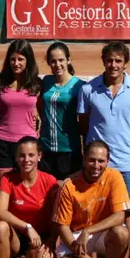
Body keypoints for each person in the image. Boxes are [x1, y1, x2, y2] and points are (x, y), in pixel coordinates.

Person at [77, 42, 130, 258]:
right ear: (103, 61)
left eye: (118, 60)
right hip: (96, 164)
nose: (113, 65)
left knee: (126, 213)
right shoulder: (88, 89)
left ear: (125, 63)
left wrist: (124, 142)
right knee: (92, 210)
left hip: (125, 161)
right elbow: (83, 124)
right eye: (109, 60)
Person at [53, 140, 130, 258]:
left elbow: (120, 216)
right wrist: (82, 256)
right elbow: (63, 227)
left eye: (101, 161)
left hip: (99, 233)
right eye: (92, 160)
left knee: (121, 232)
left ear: (107, 161)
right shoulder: (69, 185)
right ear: (84, 159)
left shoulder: (115, 177)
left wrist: (88, 231)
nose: (96, 166)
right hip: (75, 236)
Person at [0, 137, 59, 258]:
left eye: (31, 155)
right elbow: (0, 212)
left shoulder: (49, 181)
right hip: (17, 237)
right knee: (0, 227)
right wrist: (27, 227)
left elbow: (57, 215)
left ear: (39, 156)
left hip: (39, 239)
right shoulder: (8, 179)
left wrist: (52, 240)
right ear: (16, 157)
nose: (26, 160)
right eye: (22, 155)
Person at [0, 38, 41, 181]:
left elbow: (43, 111)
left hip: (28, 144)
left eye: (20, 59)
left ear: (28, 61)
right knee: (4, 189)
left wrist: (36, 123)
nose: (16, 63)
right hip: (2, 143)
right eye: (12, 59)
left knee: (26, 189)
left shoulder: (37, 84)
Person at [38, 41, 86, 180]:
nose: (57, 64)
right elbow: (40, 107)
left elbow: (84, 120)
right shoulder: (46, 81)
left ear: (68, 60)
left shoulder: (80, 86)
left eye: (61, 60)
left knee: (67, 190)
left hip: (69, 150)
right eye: (53, 61)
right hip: (45, 149)